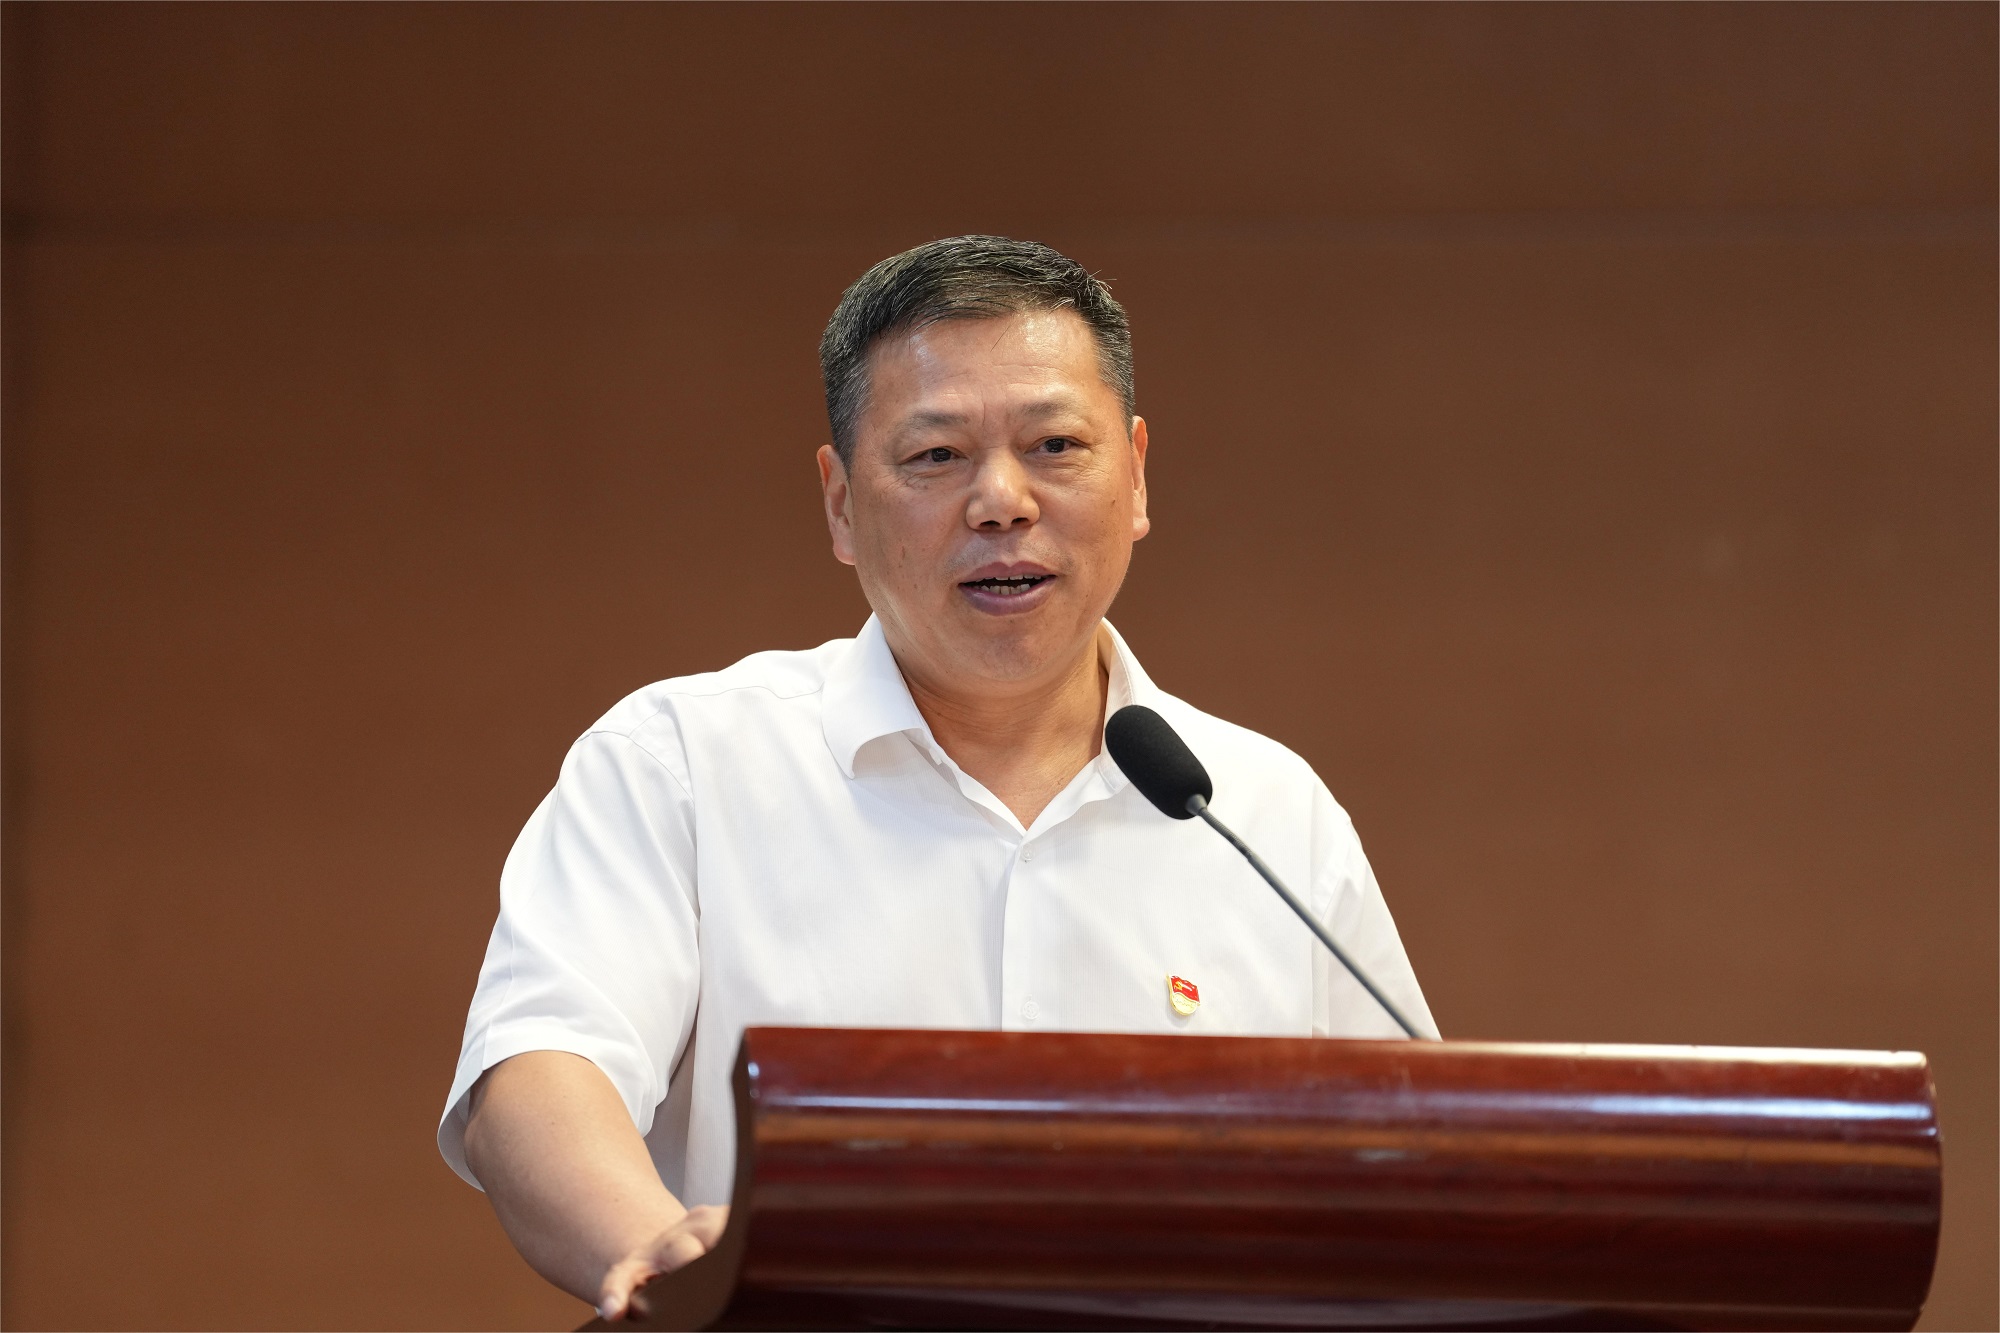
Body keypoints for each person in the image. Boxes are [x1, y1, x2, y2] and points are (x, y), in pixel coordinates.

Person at [439, 235, 1436, 1320]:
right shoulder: (681, 764)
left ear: (1137, 474)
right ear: (839, 503)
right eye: (936, 456)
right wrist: (658, 1248)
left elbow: (1419, 1169)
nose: (1001, 501)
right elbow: (537, 1070)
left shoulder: (1263, 812)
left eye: (1055, 445)